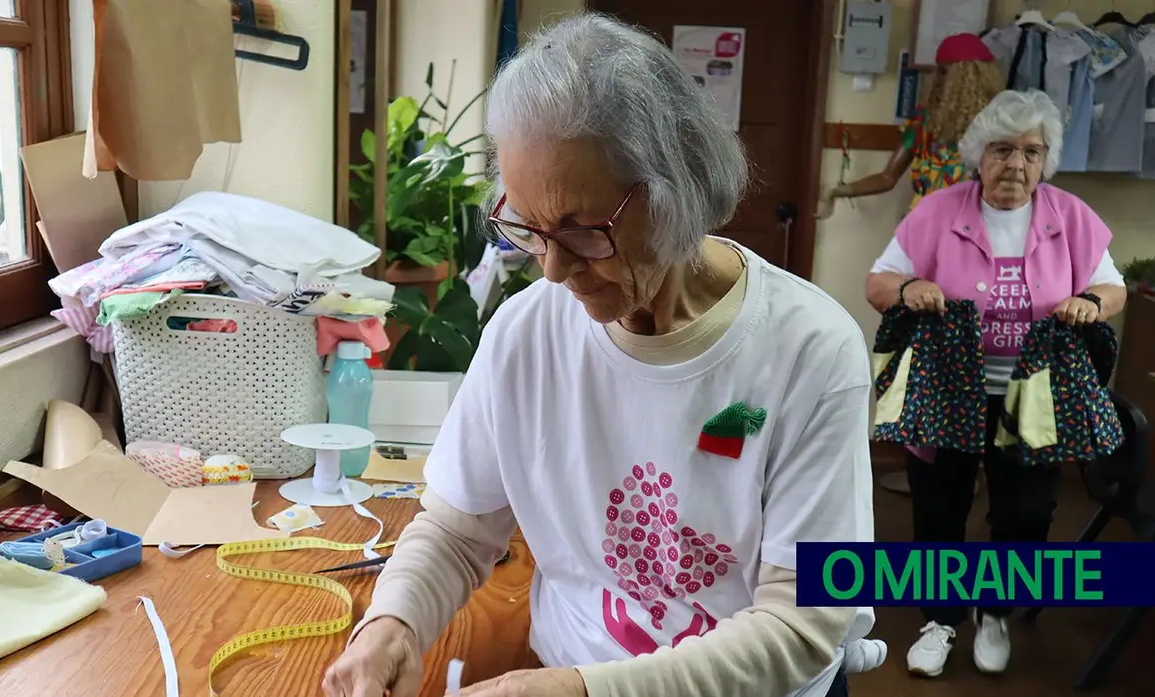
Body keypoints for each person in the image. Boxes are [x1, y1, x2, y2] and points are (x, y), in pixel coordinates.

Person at [322, 13, 877, 697]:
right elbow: (458, 529)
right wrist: (393, 622)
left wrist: (586, 690)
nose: (552, 270)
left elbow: (803, 622)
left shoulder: (811, 352)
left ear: (676, 190)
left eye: (582, 231)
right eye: (527, 227)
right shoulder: (524, 335)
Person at [865, 89, 1128, 679]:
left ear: (1046, 159)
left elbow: (1113, 288)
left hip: (1032, 392)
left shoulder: (1070, 218)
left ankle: (995, 613)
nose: (1016, 165)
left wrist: (1090, 301)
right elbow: (879, 281)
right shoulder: (937, 211)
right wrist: (909, 290)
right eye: (1003, 149)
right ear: (978, 155)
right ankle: (941, 618)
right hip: (949, 389)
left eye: (1031, 152)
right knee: (940, 501)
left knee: (1027, 508)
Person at [819, 33, 1004, 218]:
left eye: (944, 72)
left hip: (969, 227)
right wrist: (837, 192)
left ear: (966, 77)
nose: (937, 79)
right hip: (924, 224)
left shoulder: (999, 125)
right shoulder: (924, 120)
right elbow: (887, 178)